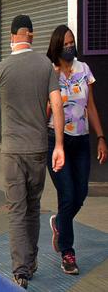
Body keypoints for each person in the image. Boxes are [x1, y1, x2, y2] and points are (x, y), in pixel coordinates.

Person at [0, 15, 65, 289]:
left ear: (13, 36)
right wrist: (60, 145)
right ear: (32, 35)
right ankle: (32, 259)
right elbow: (58, 106)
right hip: (38, 148)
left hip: (13, 151)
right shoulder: (45, 66)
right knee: (33, 208)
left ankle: (20, 271)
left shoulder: (3, 68)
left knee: (16, 210)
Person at [45, 25, 107, 275]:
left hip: (81, 141)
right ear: (57, 47)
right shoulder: (50, 73)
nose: (70, 46)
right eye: (66, 43)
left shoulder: (84, 70)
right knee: (68, 194)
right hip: (56, 140)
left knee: (80, 193)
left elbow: (90, 106)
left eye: (72, 42)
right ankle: (68, 252)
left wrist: (101, 136)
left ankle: (59, 222)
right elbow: (44, 109)